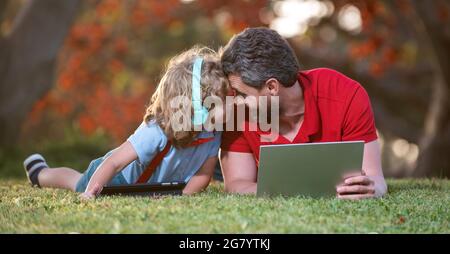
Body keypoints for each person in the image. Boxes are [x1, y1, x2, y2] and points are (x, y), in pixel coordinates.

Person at [23, 46, 229, 199]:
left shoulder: (213, 132)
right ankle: (40, 173)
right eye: (222, 101)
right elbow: (114, 162)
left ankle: (43, 173)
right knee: (76, 182)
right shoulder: (157, 130)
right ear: (196, 108)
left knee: (75, 179)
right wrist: (90, 193)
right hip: (117, 180)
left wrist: (182, 198)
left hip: (154, 190)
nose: (232, 106)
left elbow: (203, 175)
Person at [219, 27, 387, 200]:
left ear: (271, 87)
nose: (236, 101)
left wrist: (371, 189)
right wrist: (293, 192)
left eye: (242, 95)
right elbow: (237, 183)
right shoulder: (238, 112)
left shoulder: (345, 95)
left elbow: (375, 179)